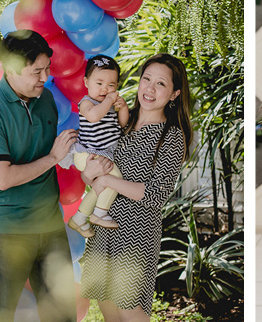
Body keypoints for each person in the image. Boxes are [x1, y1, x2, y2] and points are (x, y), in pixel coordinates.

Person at [0, 29, 79, 322]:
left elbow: (53, 152)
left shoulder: (44, 100)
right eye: (36, 71)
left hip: (49, 224)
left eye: (47, 69)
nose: (45, 78)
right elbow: (2, 179)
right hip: (5, 227)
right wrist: (53, 158)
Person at [79, 54, 192, 322]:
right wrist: (89, 175)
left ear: (174, 93)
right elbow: (96, 172)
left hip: (135, 232)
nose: (150, 89)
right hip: (103, 226)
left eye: (161, 84)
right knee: (106, 305)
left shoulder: (171, 135)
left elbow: (155, 195)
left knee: (129, 308)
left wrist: (107, 181)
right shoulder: (121, 121)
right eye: (147, 79)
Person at [66, 55, 129, 237]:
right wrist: (109, 101)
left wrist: (122, 107)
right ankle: (100, 213)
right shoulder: (87, 103)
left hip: (102, 154)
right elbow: (93, 116)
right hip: (88, 153)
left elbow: (121, 125)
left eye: (111, 85)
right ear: (86, 82)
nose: (105, 89)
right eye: (99, 83)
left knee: (101, 186)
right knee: (115, 178)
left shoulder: (107, 106)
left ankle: (78, 219)